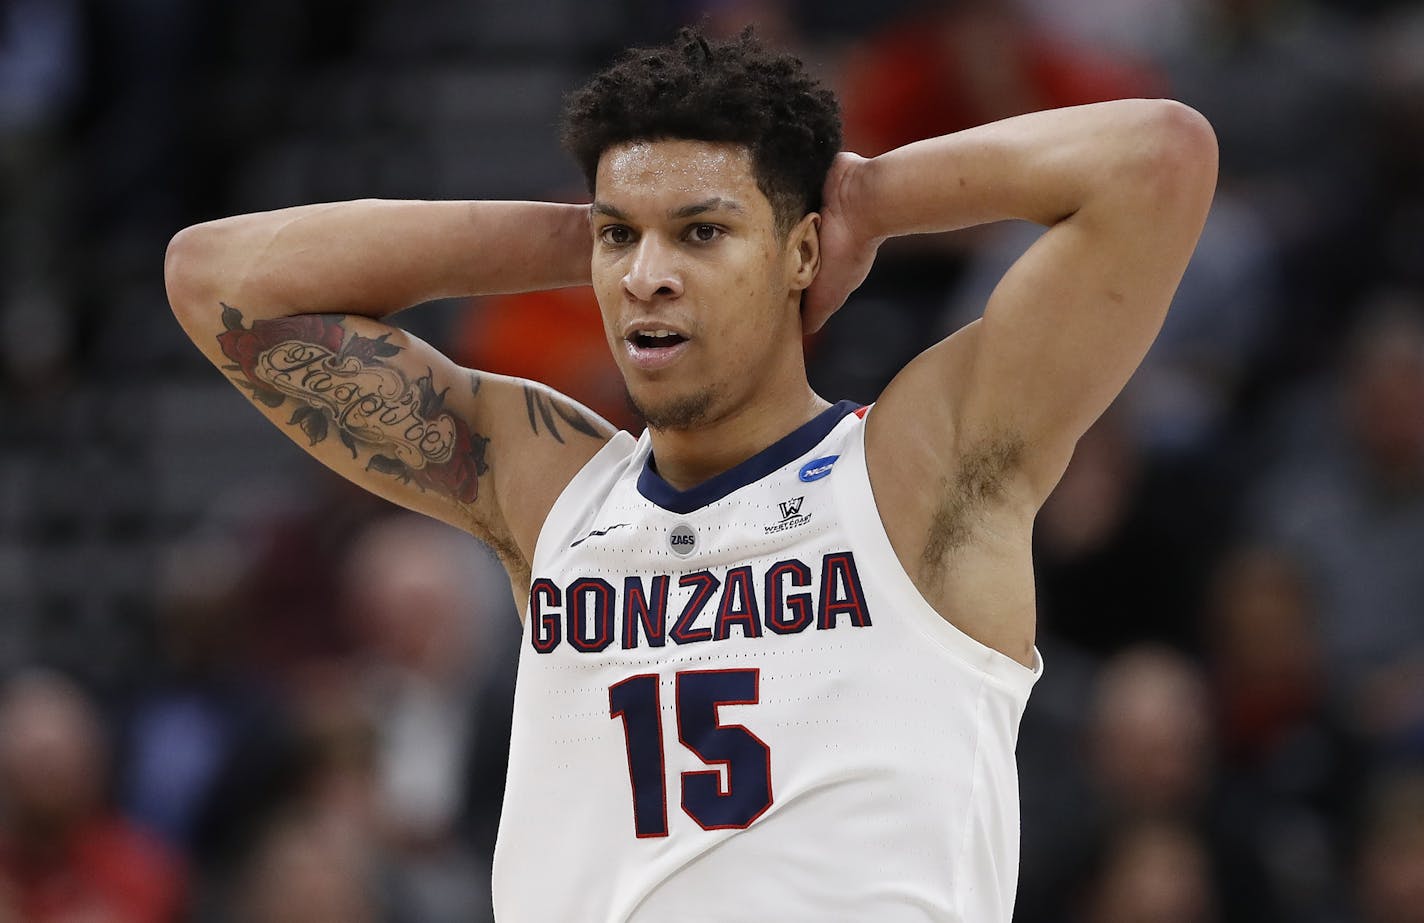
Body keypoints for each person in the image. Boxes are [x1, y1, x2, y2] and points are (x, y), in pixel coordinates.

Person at [164, 27, 1216, 922]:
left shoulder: (916, 473)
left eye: (703, 232)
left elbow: (1154, 157)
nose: (646, 274)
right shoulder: (551, 489)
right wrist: (586, 235)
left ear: (800, 251)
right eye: (623, 237)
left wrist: (867, 197)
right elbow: (215, 280)